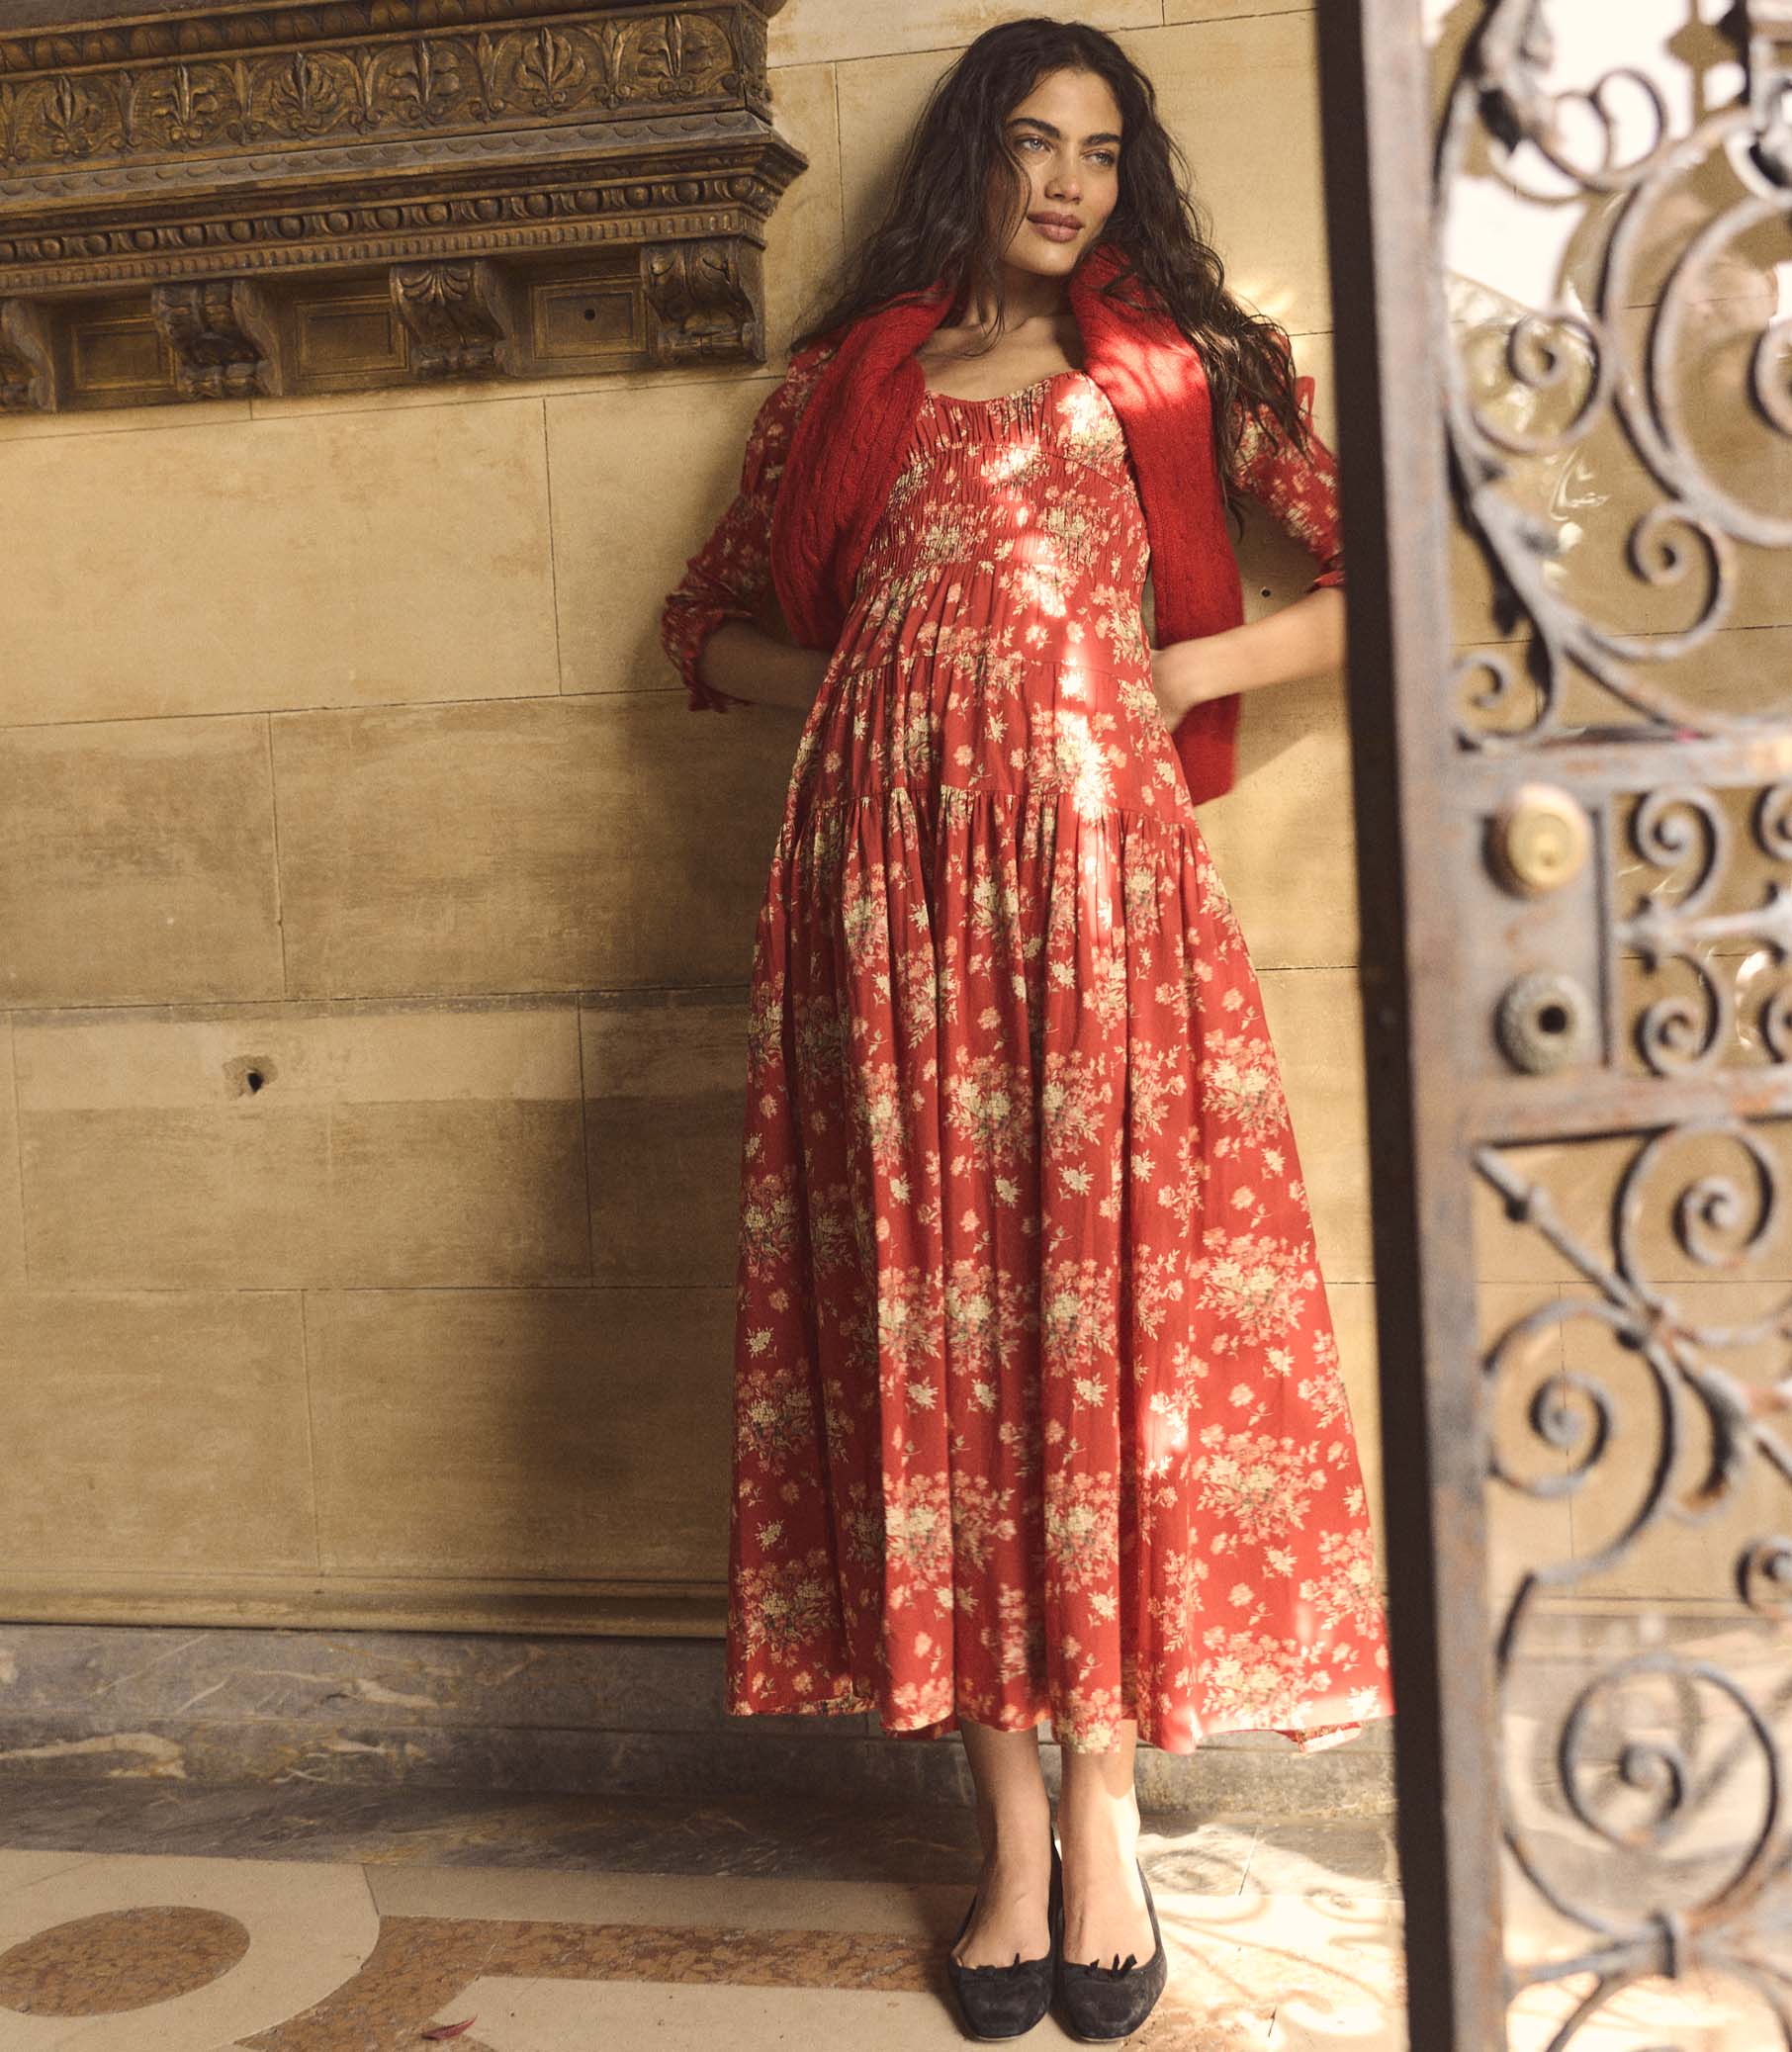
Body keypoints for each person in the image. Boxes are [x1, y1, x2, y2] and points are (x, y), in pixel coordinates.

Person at [660, 17, 1393, 2040]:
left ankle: (1108, 1824)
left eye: (1098, 150)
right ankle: (1004, 1838)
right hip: (882, 917)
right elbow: (701, 624)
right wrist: (886, 703)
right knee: (939, 1344)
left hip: (1100, 900)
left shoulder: (1172, 371)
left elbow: (1391, 571)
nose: (1064, 183)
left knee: (1097, 1336)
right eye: (1029, 145)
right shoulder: (847, 387)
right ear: (970, 160)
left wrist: (1183, 669)